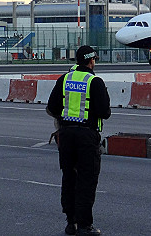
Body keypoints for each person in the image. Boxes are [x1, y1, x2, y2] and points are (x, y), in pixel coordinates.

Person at [46, 46, 111, 236]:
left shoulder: (64, 79)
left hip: (66, 135)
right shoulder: (95, 82)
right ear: (91, 61)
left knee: (69, 177)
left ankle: (70, 222)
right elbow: (105, 113)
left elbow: (52, 107)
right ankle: (85, 225)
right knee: (86, 180)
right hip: (86, 137)